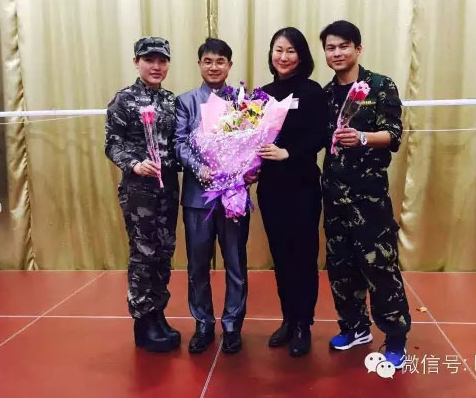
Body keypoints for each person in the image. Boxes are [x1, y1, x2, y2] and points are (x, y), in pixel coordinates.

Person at [319, 20, 411, 368]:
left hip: (369, 197)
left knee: (380, 267)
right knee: (341, 267)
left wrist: (361, 138)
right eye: (330, 47)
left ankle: (396, 338)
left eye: (343, 46)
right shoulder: (325, 95)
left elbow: (394, 135)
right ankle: (354, 327)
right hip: (334, 195)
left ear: (358, 48)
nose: (337, 53)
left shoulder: (379, 86)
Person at [174, 38, 254, 354]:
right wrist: (199, 168)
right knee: (197, 265)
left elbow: (253, 143)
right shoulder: (186, 102)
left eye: (220, 61)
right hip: (198, 197)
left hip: (233, 196)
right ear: (199, 64)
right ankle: (203, 324)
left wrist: (250, 169)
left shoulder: (244, 102)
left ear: (229, 65)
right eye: (208, 61)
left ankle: (232, 326)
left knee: (235, 262)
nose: (214, 66)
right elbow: (180, 143)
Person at [105, 36, 181, 353]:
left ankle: (158, 313)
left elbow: (178, 143)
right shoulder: (124, 100)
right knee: (143, 253)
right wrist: (135, 164)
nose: (156, 66)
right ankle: (142, 320)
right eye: (149, 60)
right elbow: (112, 144)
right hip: (139, 191)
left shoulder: (171, 101)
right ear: (137, 62)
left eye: (162, 60)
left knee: (163, 252)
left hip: (168, 190)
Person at [256, 27, 327, 357]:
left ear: (301, 56)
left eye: (290, 51)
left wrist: (289, 152)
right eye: (278, 50)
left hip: (302, 186)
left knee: (303, 256)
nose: (283, 57)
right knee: (281, 256)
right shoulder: (262, 94)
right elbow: (251, 138)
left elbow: (320, 135)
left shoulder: (312, 91)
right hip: (271, 188)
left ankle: (303, 324)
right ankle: (287, 319)